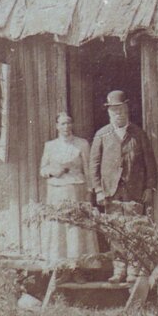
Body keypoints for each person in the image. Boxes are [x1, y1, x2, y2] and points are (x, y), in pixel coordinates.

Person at [89, 90, 157, 283]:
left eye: (121, 110)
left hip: (134, 191)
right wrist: (99, 190)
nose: (118, 114)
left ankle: (134, 271)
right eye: (114, 111)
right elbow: (93, 165)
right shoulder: (102, 135)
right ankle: (119, 270)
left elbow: (150, 163)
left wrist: (149, 188)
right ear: (109, 113)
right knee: (115, 231)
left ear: (127, 111)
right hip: (111, 192)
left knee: (134, 231)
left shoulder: (138, 134)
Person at [39, 112, 96, 276]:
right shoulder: (50, 145)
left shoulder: (82, 144)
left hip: (76, 190)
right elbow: (42, 169)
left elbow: (88, 169)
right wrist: (53, 171)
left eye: (69, 123)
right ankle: (60, 267)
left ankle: (78, 268)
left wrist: (90, 191)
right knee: (60, 227)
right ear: (57, 126)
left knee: (76, 227)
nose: (66, 127)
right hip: (56, 191)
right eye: (62, 124)